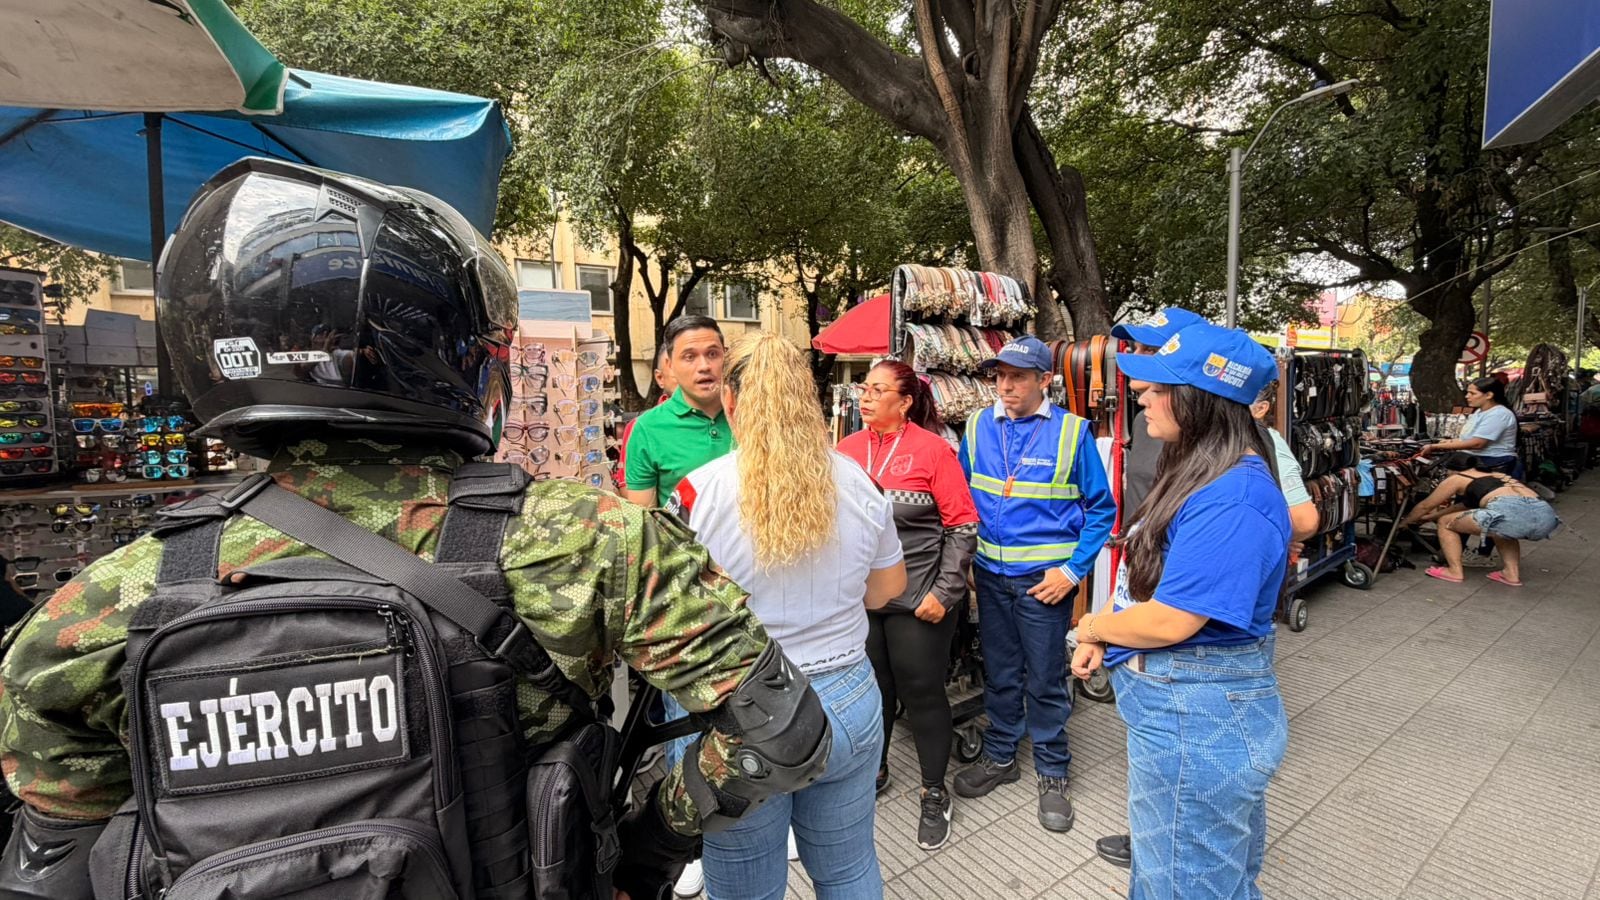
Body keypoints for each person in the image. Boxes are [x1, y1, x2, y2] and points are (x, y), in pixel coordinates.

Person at [0, 159, 830, 900]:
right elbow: (785, 730)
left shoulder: (109, 604)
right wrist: (647, 851)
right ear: (450, 349)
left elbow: (53, 853)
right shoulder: (587, 538)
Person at [668, 331, 907, 900]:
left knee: (746, 888)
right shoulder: (863, 485)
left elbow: (674, 613)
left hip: (738, 709)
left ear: (731, 400)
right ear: (811, 399)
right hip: (846, 695)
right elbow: (887, 591)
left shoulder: (697, 494)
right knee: (848, 869)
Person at [1073, 321, 1290, 900]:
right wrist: (1111, 634)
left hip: (1197, 716)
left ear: (1203, 401)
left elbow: (1173, 619)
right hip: (1186, 711)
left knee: (1185, 883)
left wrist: (1092, 626)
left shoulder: (1232, 495)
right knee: (1181, 873)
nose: (1141, 395)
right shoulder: (1202, 472)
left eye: (1158, 387)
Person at [954, 335, 1117, 833]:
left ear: (1044, 380)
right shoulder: (978, 425)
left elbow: (1101, 512)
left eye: (1018, 377)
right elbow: (963, 501)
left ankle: (1052, 770)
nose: (1005, 386)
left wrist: (1071, 573)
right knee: (1000, 671)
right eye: (999, 376)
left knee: (1045, 677)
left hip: (1042, 584)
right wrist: (965, 563)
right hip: (991, 576)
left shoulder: (1072, 434)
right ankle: (1002, 755)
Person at [837, 360, 978, 851]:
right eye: (864, 388)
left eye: (877, 390)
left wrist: (945, 593)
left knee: (922, 696)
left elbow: (962, 526)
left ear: (905, 401)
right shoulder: (845, 451)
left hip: (920, 602)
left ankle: (934, 791)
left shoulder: (934, 450)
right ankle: (874, 771)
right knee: (872, 692)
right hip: (861, 602)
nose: (865, 397)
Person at [1402, 451, 1559, 586]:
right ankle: (1511, 574)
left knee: (1445, 523)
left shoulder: (1458, 477)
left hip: (1509, 515)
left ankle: (1454, 571)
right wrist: (1430, 517)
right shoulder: (1498, 476)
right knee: (1499, 528)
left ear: (1452, 470)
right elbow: (1463, 507)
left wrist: (1404, 523)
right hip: (1546, 517)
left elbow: (1425, 506)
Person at [623, 316, 731, 507]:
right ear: (671, 366)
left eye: (713, 354)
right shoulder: (647, 429)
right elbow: (647, 520)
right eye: (689, 357)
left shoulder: (753, 415)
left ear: (726, 356)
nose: (704, 366)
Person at [1425, 376, 1521, 475]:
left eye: (1472, 393)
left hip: (1494, 461)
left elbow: (1477, 443)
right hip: (1477, 459)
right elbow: (1469, 439)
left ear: (1488, 395)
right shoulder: (1479, 412)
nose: (1467, 396)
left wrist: (1434, 446)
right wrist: (1447, 442)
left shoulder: (1499, 414)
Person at [616, 343, 677, 490]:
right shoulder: (642, 428)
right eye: (676, 369)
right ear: (660, 378)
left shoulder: (735, 418)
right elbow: (627, 488)